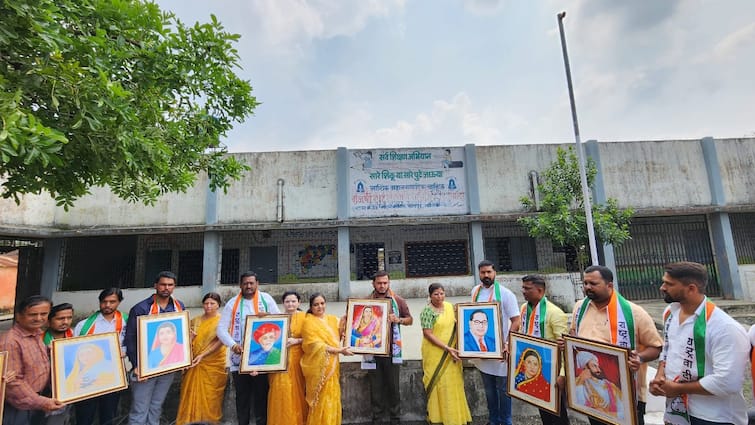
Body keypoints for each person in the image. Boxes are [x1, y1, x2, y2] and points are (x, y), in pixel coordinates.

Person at [649, 262, 749, 425]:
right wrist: (660, 376)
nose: (662, 287)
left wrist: (678, 389)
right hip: (677, 411)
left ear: (691, 288)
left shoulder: (724, 327)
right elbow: (668, 349)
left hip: (713, 417)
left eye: (669, 284)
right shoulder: (671, 313)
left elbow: (727, 382)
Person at [561, 265, 663, 425]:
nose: (587, 287)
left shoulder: (634, 313)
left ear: (609, 285)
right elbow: (574, 334)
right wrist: (567, 344)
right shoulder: (580, 308)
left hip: (627, 393)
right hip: (591, 394)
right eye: (585, 283)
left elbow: (656, 347)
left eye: (593, 284)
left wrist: (639, 358)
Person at [217, 271, 280, 425]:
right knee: (242, 398)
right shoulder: (232, 303)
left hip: (262, 360)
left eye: (252, 283)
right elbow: (221, 329)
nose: (249, 286)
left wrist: (269, 318)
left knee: (261, 397)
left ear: (257, 284)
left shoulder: (266, 300)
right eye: (245, 283)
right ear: (240, 285)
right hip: (239, 359)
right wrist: (233, 345)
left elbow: (280, 323)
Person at [125, 270, 186, 425]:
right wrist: (136, 365)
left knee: (156, 406)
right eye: (163, 284)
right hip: (146, 367)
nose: (166, 288)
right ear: (155, 286)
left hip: (168, 366)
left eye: (170, 285)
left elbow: (179, 334)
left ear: (174, 287)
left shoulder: (179, 306)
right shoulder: (141, 308)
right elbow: (130, 338)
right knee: (139, 409)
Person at [0, 295, 65, 424]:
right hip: (20, 405)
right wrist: (42, 402)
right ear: (18, 316)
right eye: (32, 314)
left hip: (37, 400)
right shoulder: (11, 341)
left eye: (44, 314)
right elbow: (13, 382)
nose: (39, 318)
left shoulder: (36, 333)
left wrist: (53, 351)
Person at [470, 260, 521, 425]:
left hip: (501, 352)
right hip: (483, 351)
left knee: (503, 391)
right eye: (483, 272)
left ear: (495, 273)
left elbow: (516, 321)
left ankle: (506, 421)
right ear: (479, 273)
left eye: (489, 272)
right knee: (489, 390)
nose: (486, 275)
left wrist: (507, 343)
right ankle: (493, 420)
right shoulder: (475, 291)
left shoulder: (506, 294)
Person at [73, 287, 128, 425]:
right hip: (88, 378)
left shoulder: (127, 322)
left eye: (112, 301)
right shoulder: (84, 325)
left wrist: (125, 351)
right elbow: (73, 349)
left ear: (119, 302)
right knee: (85, 414)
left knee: (109, 414)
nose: (108, 305)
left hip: (113, 376)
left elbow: (131, 343)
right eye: (104, 302)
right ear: (99, 302)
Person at [364, 271, 413, 425]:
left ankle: (395, 418)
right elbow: (355, 320)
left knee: (393, 387)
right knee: (375, 388)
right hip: (372, 352)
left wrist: (398, 319)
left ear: (389, 283)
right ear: (373, 284)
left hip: (392, 351)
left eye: (385, 283)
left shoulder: (397, 300)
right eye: (379, 283)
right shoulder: (365, 302)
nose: (382, 286)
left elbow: (410, 320)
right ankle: (377, 418)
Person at [520, 274, 569, 425]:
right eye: (523, 288)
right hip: (535, 370)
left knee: (558, 414)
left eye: (527, 288)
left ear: (540, 290)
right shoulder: (524, 308)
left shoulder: (555, 313)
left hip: (552, 372)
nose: (523, 291)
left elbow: (566, 348)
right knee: (544, 412)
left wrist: (562, 374)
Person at [420, 283, 472, 425]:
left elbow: (460, 324)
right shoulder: (427, 312)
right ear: (430, 296)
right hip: (435, 353)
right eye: (436, 294)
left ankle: (455, 418)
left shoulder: (450, 307)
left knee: (453, 383)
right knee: (439, 384)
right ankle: (438, 418)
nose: (439, 297)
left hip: (453, 353)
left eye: (442, 293)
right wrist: (446, 348)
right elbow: (427, 334)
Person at [300, 293, 352, 425]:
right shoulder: (308, 322)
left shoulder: (332, 319)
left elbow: (338, 336)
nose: (320, 307)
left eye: (322, 303)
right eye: (316, 304)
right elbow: (316, 345)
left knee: (333, 397)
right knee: (321, 399)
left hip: (333, 366)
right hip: (318, 369)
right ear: (311, 307)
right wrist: (340, 350)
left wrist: (348, 320)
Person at [176, 292, 227, 425]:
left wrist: (202, 355)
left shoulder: (222, 322)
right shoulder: (195, 321)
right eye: (206, 303)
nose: (208, 306)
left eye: (212, 303)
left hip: (212, 366)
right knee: (189, 397)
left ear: (218, 305)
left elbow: (220, 341)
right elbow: (184, 342)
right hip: (193, 364)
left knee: (211, 399)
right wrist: (191, 338)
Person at [268, 291, 307, 425]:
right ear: (283, 303)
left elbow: (312, 338)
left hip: (298, 359)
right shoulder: (277, 318)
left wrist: (296, 341)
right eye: (287, 301)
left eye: (293, 301)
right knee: (280, 389)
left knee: (297, 391)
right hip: (279, 359)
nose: (290, 304)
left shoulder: (305, 317)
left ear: (299, 302)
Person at [42, 303, 74, 425]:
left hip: (70, 389)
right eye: (60, 318)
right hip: (46, 393)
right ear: (49, 321)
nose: (65, 322)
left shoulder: (76, 337)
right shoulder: (40, 340)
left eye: (69, 318)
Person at [573, 351, 624, 419]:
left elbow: (623, 414)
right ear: (585, 367)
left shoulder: (610, 386)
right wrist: (581, 381)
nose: (598, 370)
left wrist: (605, 414)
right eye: (594, 366)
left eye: (598, 366)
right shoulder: (577, 383)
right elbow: (578, 407)